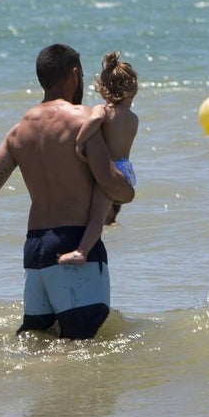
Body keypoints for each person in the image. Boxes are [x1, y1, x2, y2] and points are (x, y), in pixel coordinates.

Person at [0, 44, 135, 339]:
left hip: (35, 251)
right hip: (73, 242)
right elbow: (110, 183)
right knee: (82, 345)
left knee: (37, 341)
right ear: (75, 75)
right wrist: (128, 190)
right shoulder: (82, 120)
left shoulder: (19, 130)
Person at [58, 51, 139, 265]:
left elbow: (93, 121)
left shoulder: (103, 111)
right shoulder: (133, 119)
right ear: (135, 90)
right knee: (102, 215)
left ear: (103, 91)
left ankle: (81, 251)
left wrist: (80, 142)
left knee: (96, 217)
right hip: (126, 171)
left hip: (110, 172)